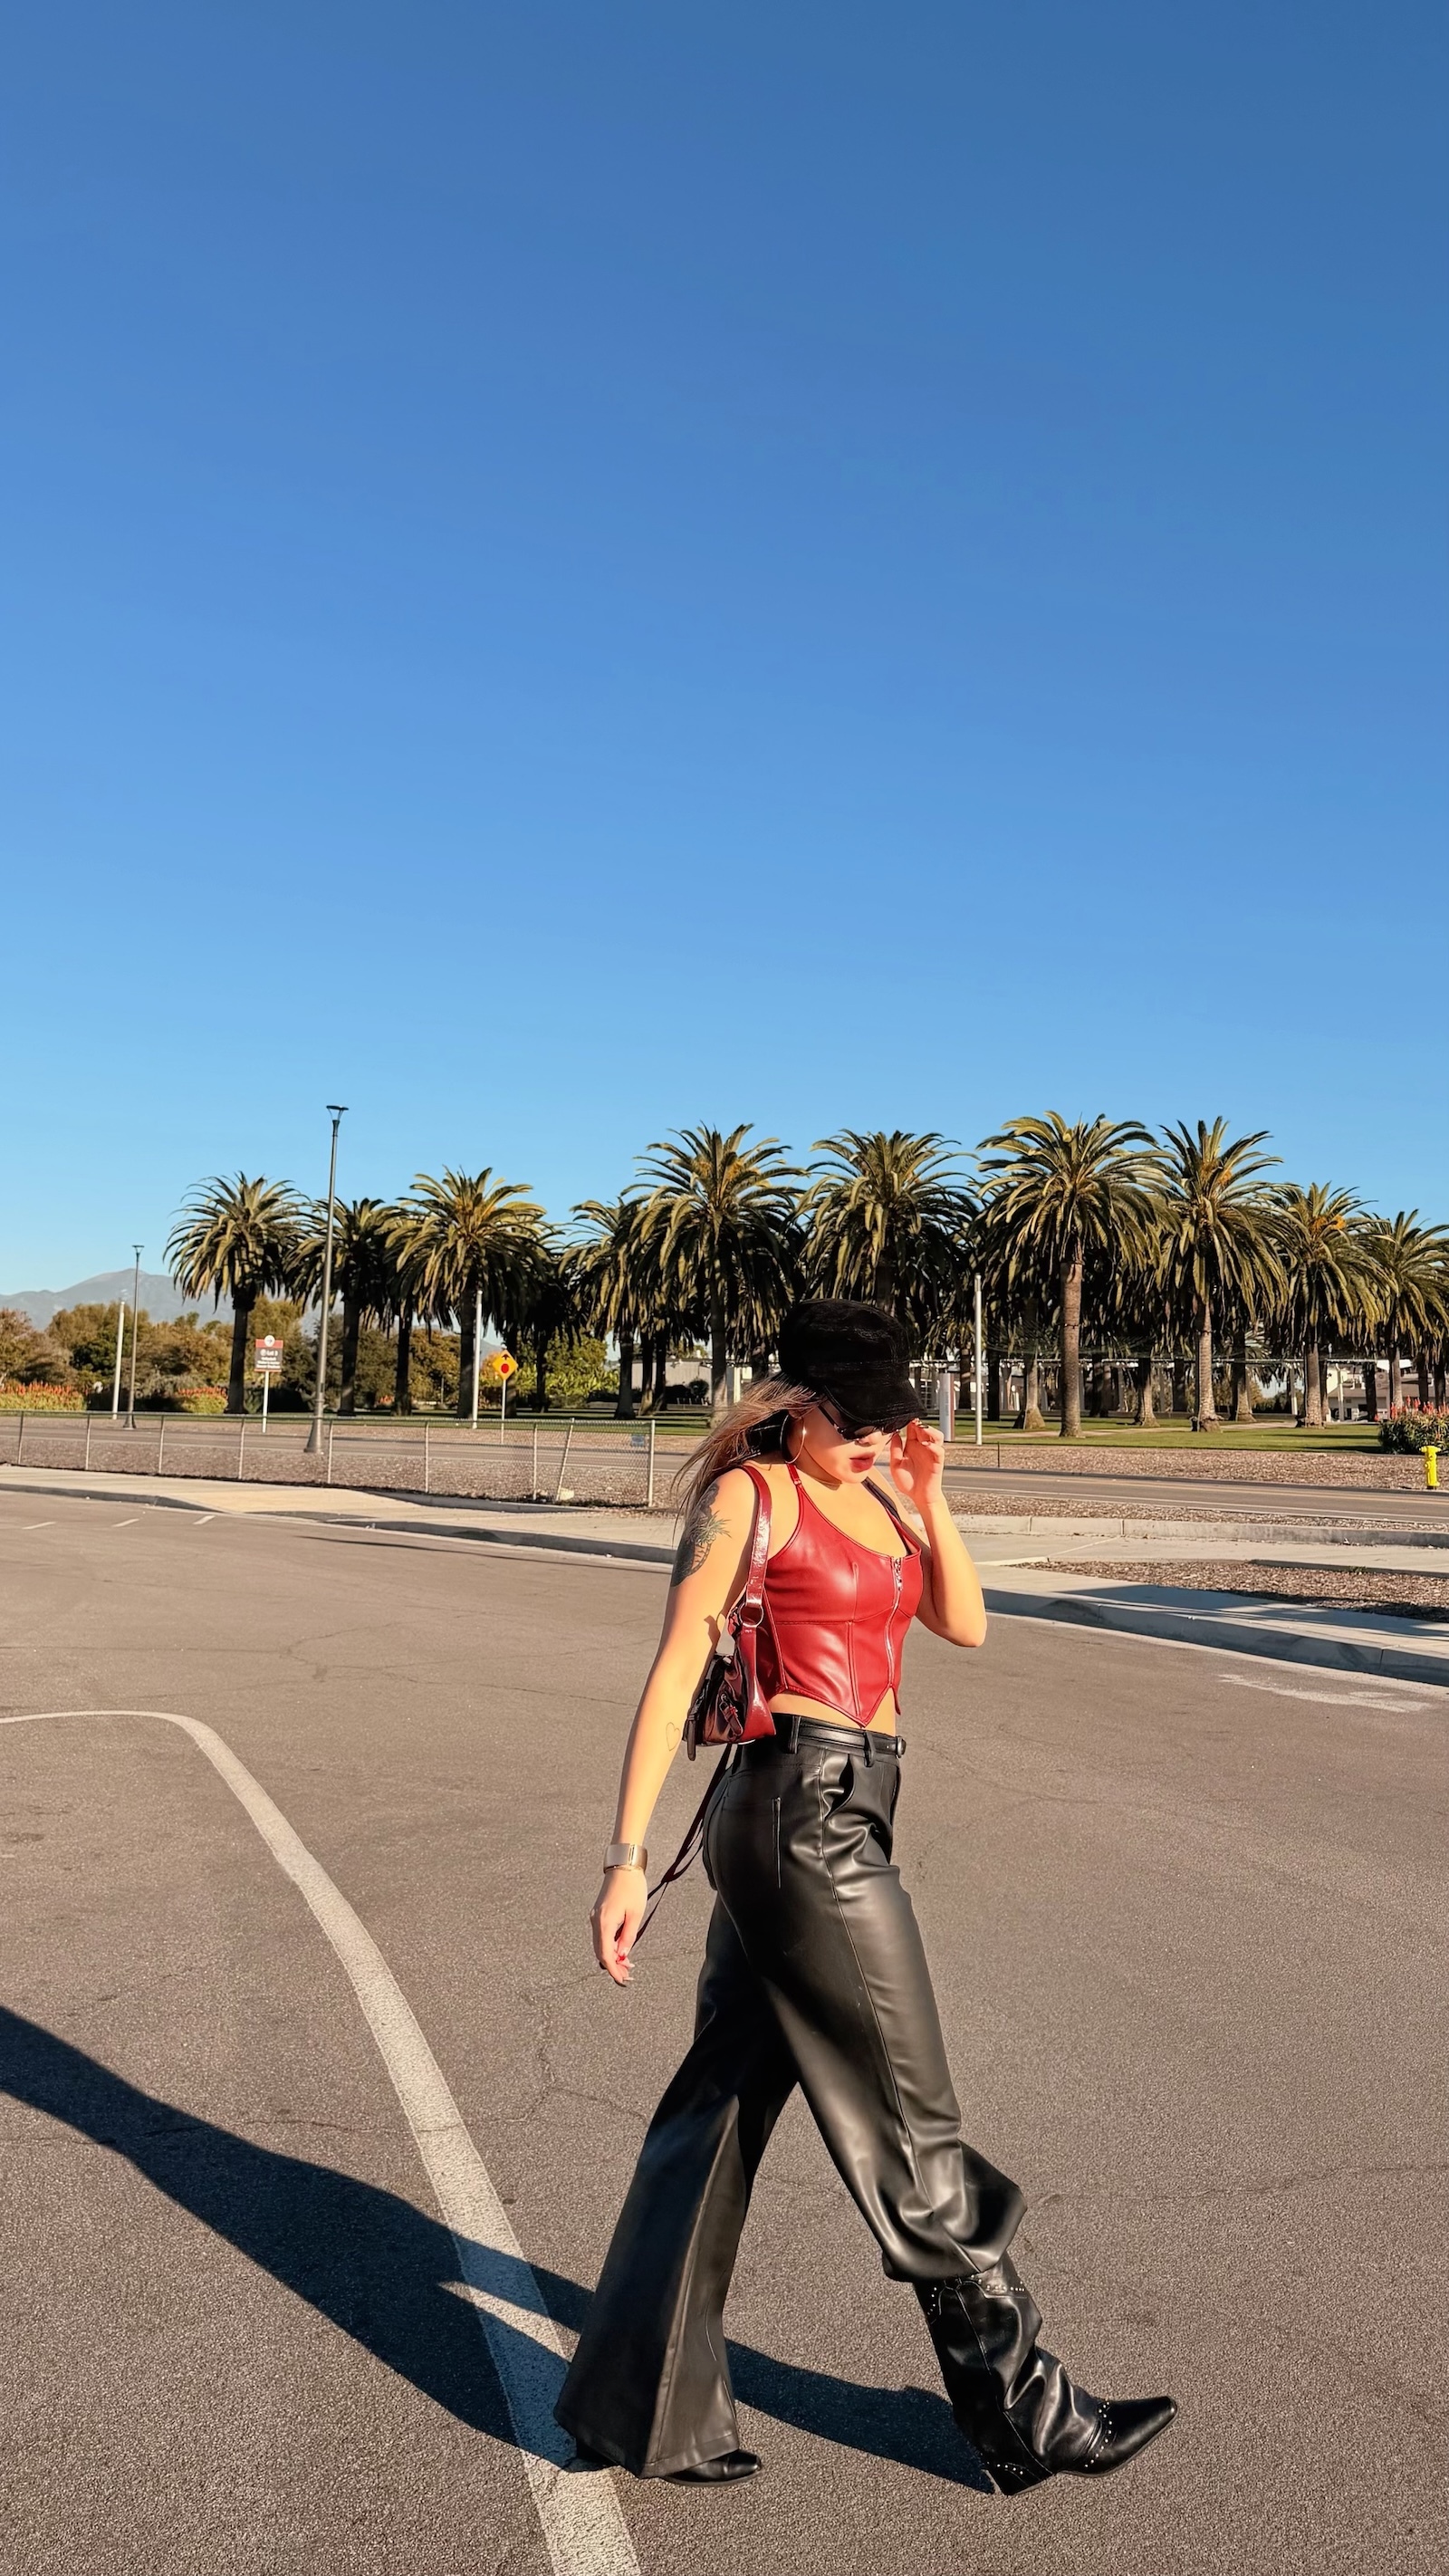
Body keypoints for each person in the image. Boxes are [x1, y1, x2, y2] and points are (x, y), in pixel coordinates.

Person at [555, 1300, 1175, 2491]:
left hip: (850, 1807)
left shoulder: (887, 1496)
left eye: (891, 1420)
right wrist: (624, 1859)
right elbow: (675, 1669)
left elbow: (965, 1625)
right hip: (800, 1817)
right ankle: (1027, 2409)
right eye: (857, 1421)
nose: (876, 1439)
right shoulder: (752, 1497)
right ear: (796, 1403)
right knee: (910, 2108)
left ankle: (636, 2409)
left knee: (719, 2106)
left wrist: (931, 1494)